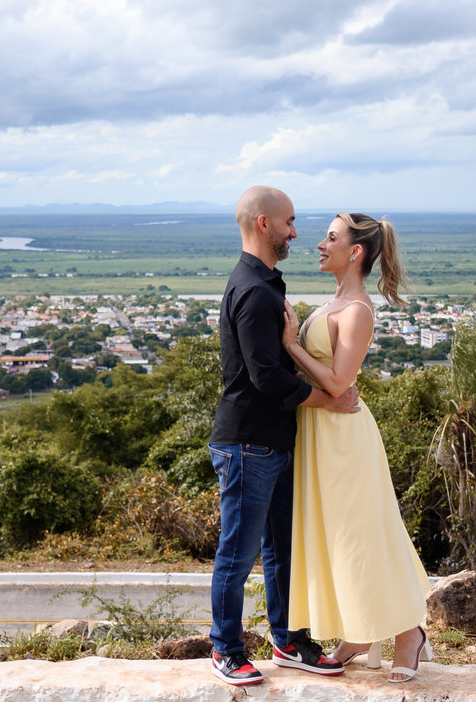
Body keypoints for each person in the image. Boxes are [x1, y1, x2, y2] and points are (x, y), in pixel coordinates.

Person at [208, 186, 359, 686]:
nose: (296, 232)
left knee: (282, 550)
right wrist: (326, 400)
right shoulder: (254, 291)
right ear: (264, 224)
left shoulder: (264, 282)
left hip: (272, 441)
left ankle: (289, 640)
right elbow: (265, 378)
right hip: (247, 443)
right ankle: (225, 650)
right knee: (238, 553)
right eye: (290, 221)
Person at [281, 212, 434, 683]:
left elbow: (339, 381)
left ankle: (409, 633)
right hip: (320, 431)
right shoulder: (336, 302)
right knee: (336, 535)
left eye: (331, 238)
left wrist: (291, 346)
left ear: (356, 251)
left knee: (363, 534)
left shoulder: (358, 311)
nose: (319, 244)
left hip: (344, 438)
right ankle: (360, 630)